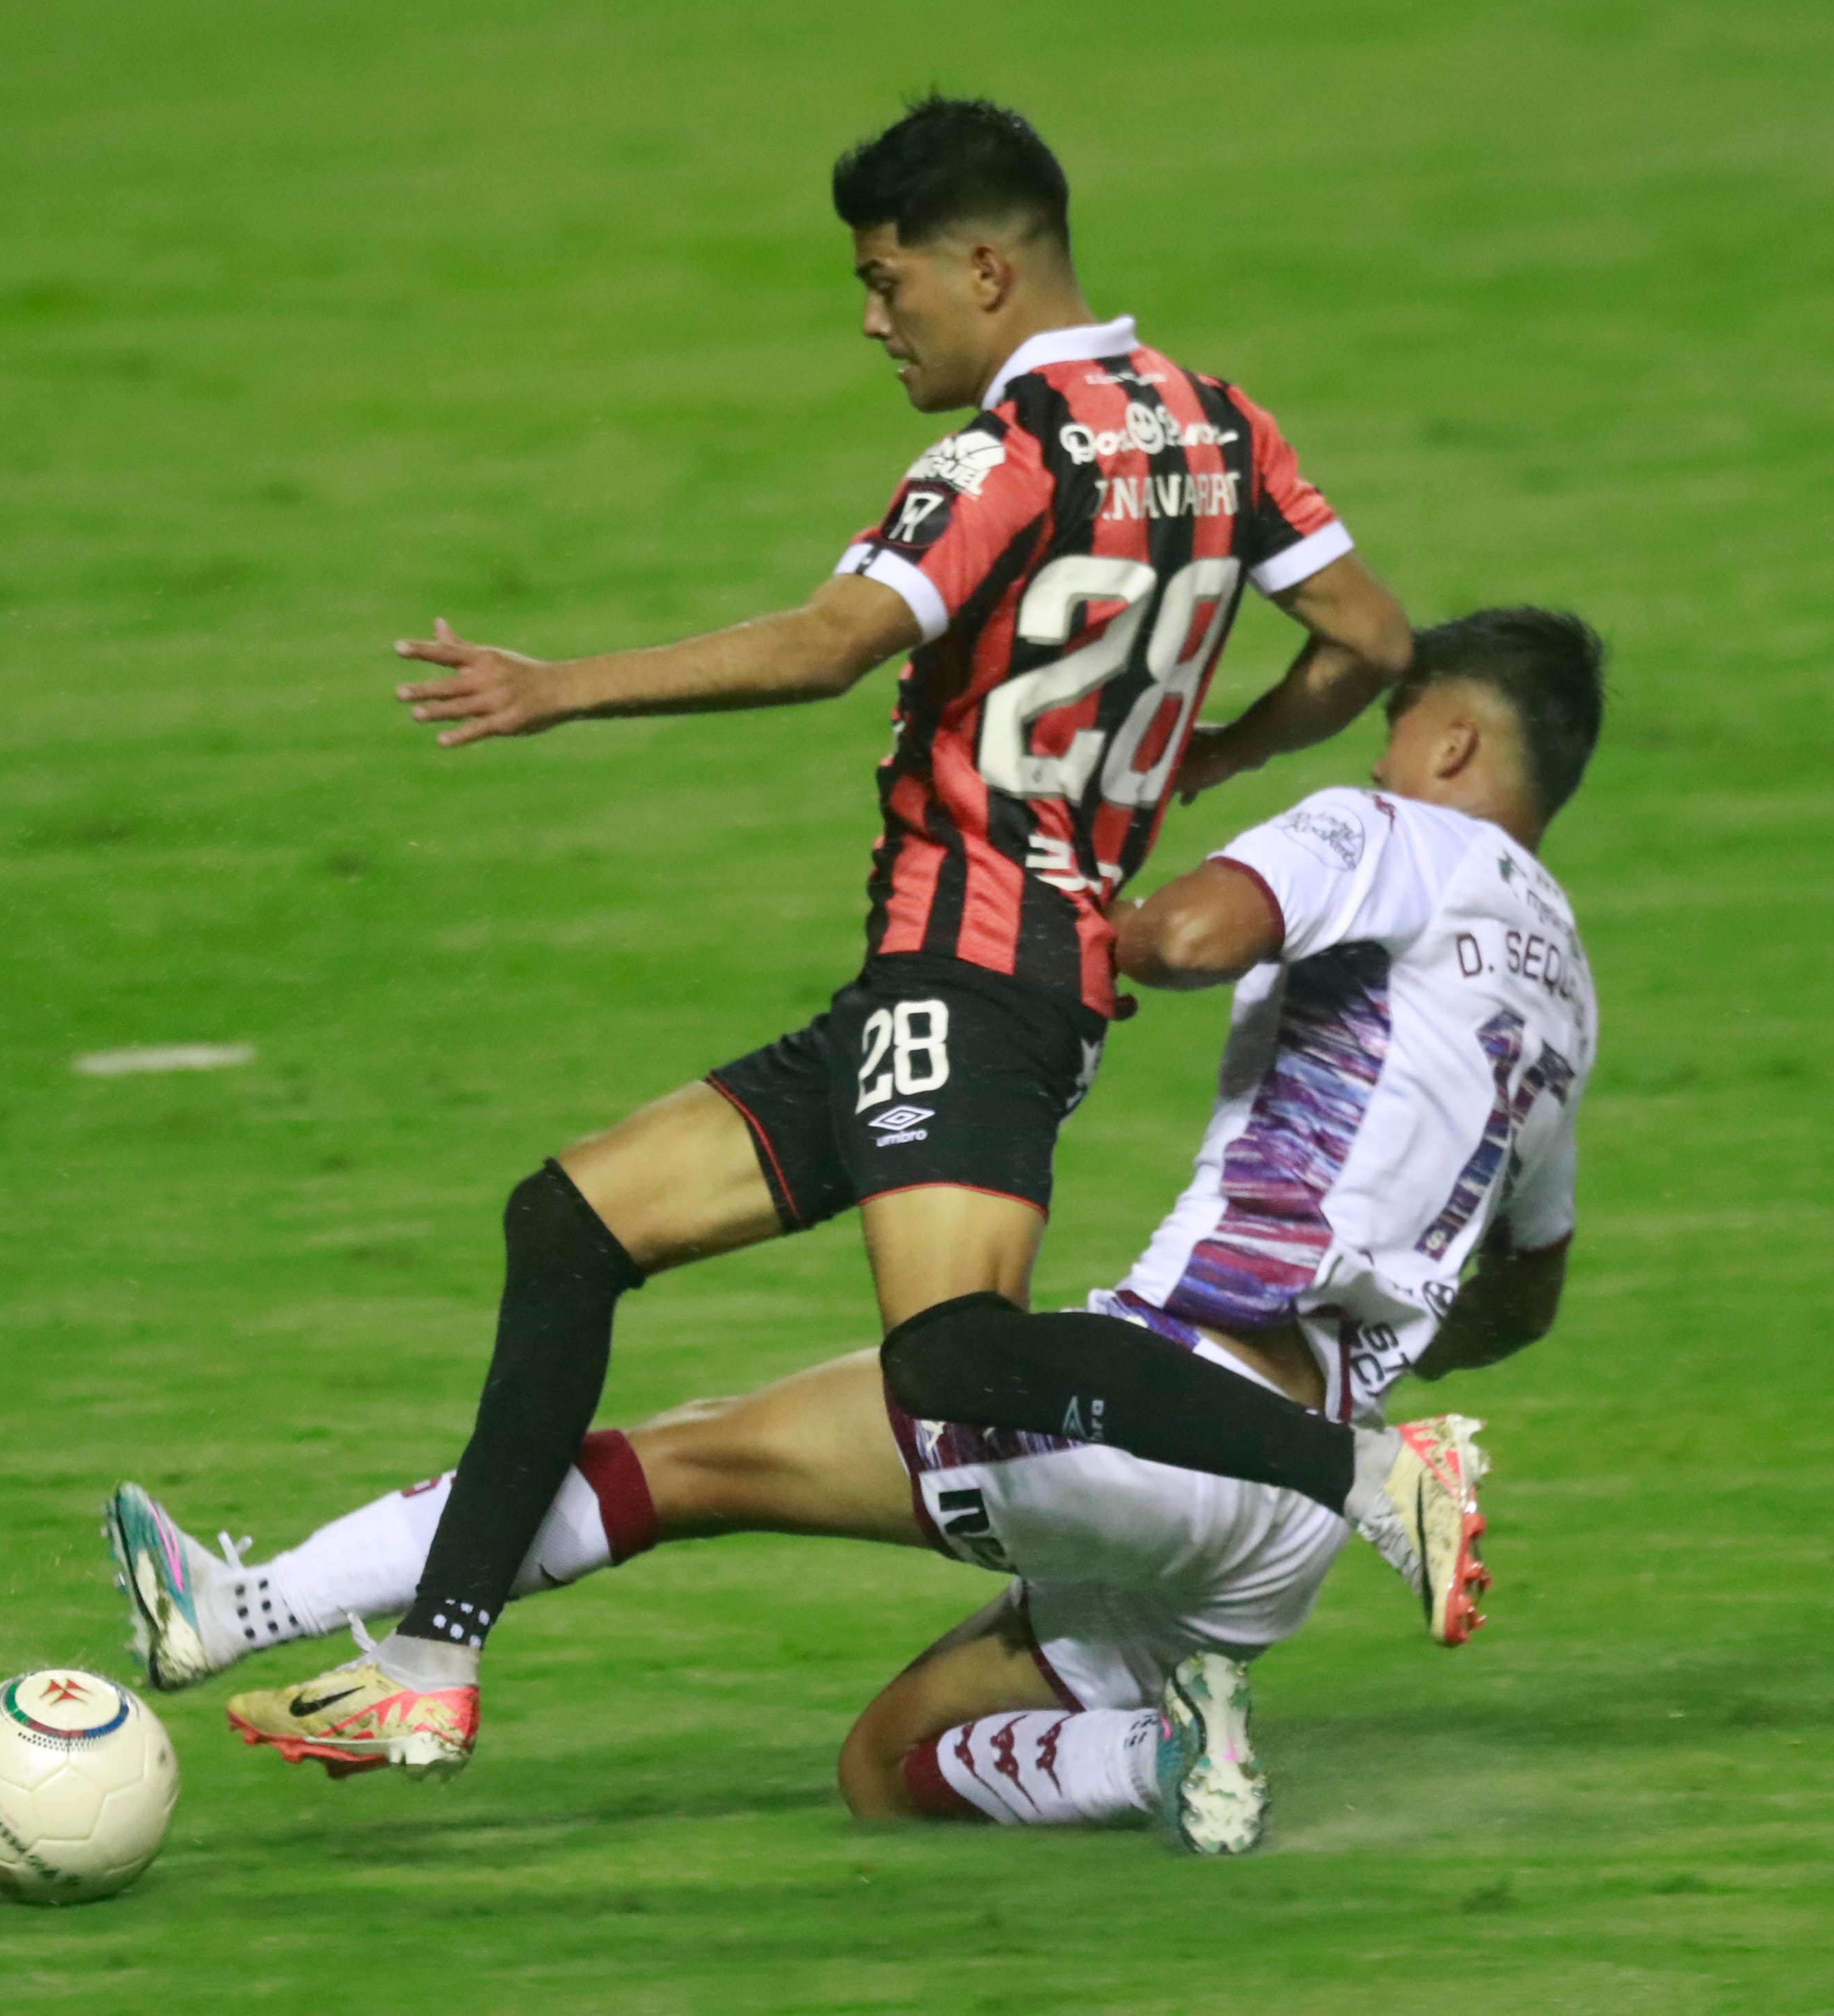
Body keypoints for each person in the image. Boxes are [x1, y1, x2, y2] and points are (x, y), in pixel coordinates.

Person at [268, 95, 1433, 1779]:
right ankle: (434, 1664)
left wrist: (555, 687)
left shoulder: (1005, 453)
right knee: (572, 1220)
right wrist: (1214, 749)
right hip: (954, 978)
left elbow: (831, 644)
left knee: (954, 1354)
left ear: (983, 265)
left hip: (975, 971)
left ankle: (1368, 1474)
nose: (871, 318)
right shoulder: (1218, 422)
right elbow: (1369, 633)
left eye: (887, 282)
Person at [113, 607, 1609, 1831]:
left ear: (1450, 736)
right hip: (1275, 1538)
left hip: (1159, 1417)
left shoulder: (1382, 830)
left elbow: (1199, 931)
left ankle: (245, 1604)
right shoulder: (1567, 999)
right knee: (886, 1768)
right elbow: (1520, 1298)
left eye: (1392, 726)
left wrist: (1095, 926)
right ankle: (1166, 1751)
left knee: (688, 1453)